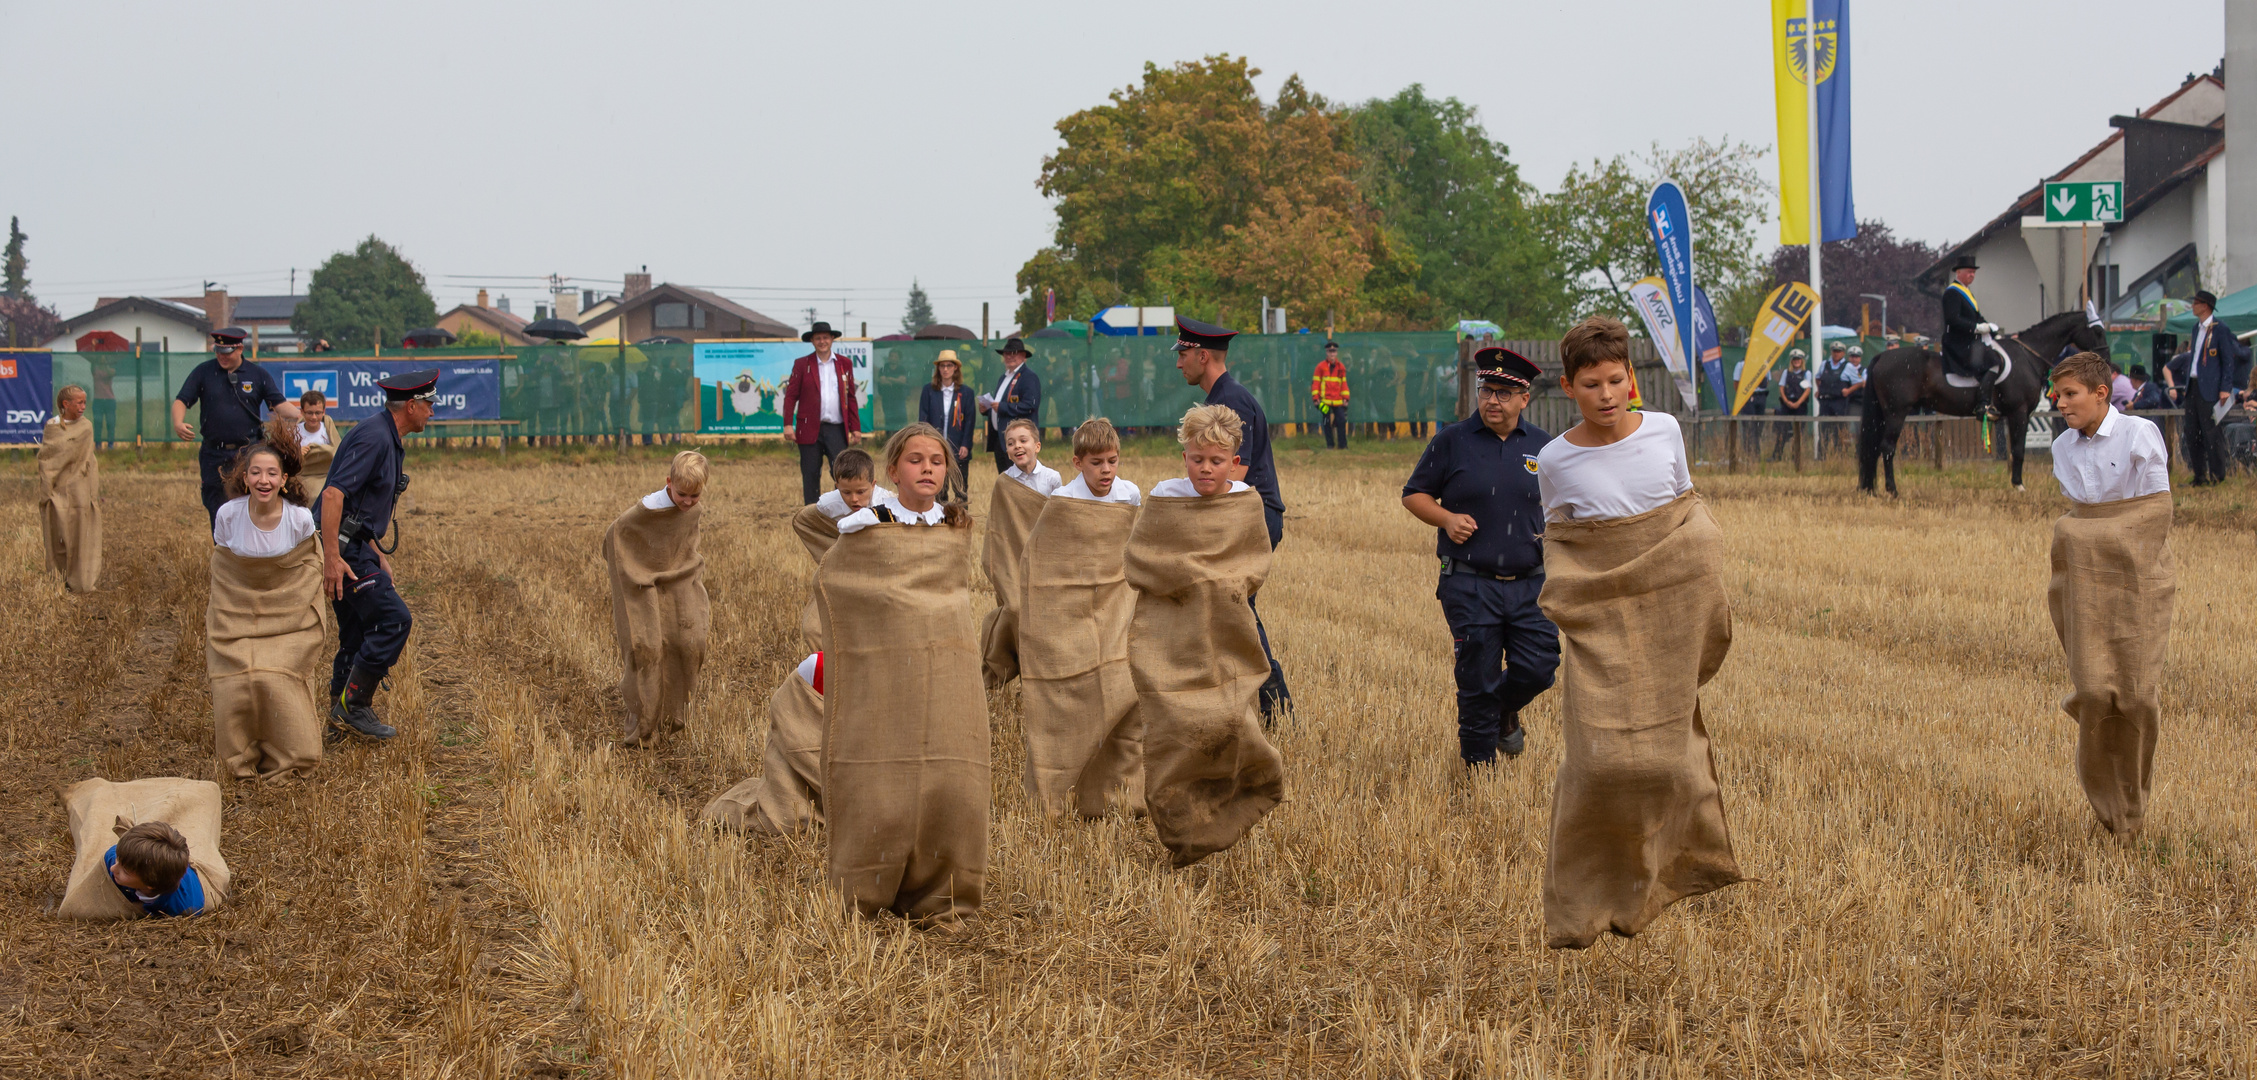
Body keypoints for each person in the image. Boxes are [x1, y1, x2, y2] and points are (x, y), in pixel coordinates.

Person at [1534, 315, 1738, 950]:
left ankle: (1679, 867)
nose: (1606, 394)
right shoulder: (1554, 460)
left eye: (1616, 380)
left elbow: (1686, 510)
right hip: (1606, 617)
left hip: (1668, 609)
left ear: (1631, 379)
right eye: (1591, 384)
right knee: (1599, 764)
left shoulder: (1664, 431)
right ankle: (1585, 900)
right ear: (1568, 387)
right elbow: (1564, 546)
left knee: (1667, 759)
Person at [1133, 404, 1286, 864]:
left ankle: (1234, 802)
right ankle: (1178, 819)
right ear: (1185, 456)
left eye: (1216, 461)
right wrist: (1190, 577)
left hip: (1225, 631)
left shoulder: (1245, 501)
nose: (1205, 468)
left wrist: (1221, 585)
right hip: (1170, 634)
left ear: (1234, 460)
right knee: (1174, 724)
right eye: (1197, 459)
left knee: (1228, 721)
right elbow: (1139, 558)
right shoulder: (1165, 496)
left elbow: (1254, 563)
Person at [1400, 347, 1558, 766]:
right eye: (1487, 390)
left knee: (1540, 667)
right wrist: (1446, 518)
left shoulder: (1546, 448)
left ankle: (1504, 712)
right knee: (1475, 682)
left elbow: (1565, 507)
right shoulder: (1451, 441)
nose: (1492, 400)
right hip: (1469, 583)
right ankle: (1478, 778)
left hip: (1532, 583)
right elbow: (1413, 495)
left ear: (1525, 398)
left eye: (1504, 393)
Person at [2045, 351, 2173, 839]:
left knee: (2137, 696)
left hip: (2139, 572)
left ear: (2102, 394)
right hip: (2085, 579)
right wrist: (2082, 538)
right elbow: (2081, 517)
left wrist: (2088, 535)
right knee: (2096, 693)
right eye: (2057, 395)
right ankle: (2110, 808)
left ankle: (2132, 809)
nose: (2060, 403)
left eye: (2070, 394)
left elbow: (2153, 513)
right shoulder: (2062, 448)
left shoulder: (2140, 434)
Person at [1171, 315, 1291, 722]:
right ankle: (1263, 704)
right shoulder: (1221, 398)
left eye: (1183, 354)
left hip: (1251, 517)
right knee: (1233, 610)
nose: (1178, 363)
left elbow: (1233, 474)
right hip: (1242, 516)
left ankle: (1276, 705)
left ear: (1203, 356)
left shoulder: (1228, 403)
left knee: (1237, 608)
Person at [320, 369, 437, 741]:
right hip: (343, 550)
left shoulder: (386, 434)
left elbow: (359, 504)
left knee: (355, 634)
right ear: (412, 406)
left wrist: (375, 551)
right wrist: (332, 558)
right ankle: (354, 706)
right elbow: (333, 495)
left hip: (356, 545)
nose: (432, 412)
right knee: (393, 620)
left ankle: (338, 722)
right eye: (429, 405)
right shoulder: (374, 438)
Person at [604, 450, 710, 748]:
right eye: (682, 494)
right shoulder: (647, 509)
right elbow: (616, 535)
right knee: (647, 649)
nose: (688, 502)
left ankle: (673, 713)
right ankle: (645, 722)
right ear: (668, 483)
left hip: (680, 578)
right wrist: (633, 571)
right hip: (641, 583)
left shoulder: (694, 511)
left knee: (690, 643)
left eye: (695, 495)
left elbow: (686, 545)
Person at [173, 327, 286, 525]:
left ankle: (250, 549)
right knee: (216, 506)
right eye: (218, 351)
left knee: (249, 503)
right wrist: (178, 422)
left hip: (248, 452)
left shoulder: (257, 374)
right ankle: (223, 551)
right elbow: (181, 400)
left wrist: (303, 415)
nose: (221, 357)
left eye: (227, 352)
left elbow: (279, 404)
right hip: (213, 454)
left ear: (240, 348)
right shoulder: (203, 372)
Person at [782, 321, 863, 504]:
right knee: (810, 473)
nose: (822, 341)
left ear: (832, 339)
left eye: (826, 337)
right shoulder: (802, 364)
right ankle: (811, 515)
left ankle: (841, 511)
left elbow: (850, 397)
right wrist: (788, 424)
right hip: (809, 428)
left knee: (842, 473)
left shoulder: (845, 364)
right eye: (818, 338)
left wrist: (855, 427)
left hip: (837, 428)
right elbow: (791, 396)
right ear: (812, 341)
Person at [2177, 290, 2249, 485]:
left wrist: (2225, 387)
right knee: (2192, 432)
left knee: (2211, 433)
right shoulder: (2195, 329)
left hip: (2210, 388)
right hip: (2193, 385)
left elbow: (2228, 361)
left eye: (2196, 303)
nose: (2193, 306)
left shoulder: (2220, 329)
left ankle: (2217, 475)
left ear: (2205, 305)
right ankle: (2199, 475)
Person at [213, 440, 315, 558]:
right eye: (256, 473)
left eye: (272, 474)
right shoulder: (227, 515)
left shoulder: (300, 519)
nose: (263, 481)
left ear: (283, 479)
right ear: (246, 478)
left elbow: (308, 566)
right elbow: (222, 564)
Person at [1939, 254, 2002, 419]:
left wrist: (1991, 330)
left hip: (1969, 340)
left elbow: (1976, 316)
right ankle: (1983, 403)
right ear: (1958, 272)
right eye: (1969, 272)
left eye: (1974, 272)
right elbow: (1952, 319)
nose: (1972, 275)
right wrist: (1975, 328)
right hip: (1958, 342)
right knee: (1994, 362)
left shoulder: (1967, 292)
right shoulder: (1952, 292)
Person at [103, 822, 209, 918]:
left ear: (149, 883)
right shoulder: (113, 859)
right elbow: (113, 853)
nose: (113, 868)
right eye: (118, 860)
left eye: (125, 871)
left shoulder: (186, 905)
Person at [919, 349, 976, 501]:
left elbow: (970, 421)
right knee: (938, 488)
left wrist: (965, 444)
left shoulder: (966, 393)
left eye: (949, 365)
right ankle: (939, 521)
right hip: (936, 447)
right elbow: (923, 419)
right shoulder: (929, 391)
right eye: (942, 366)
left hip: (958, 446)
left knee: (960, 489)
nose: (945, 369)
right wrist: (927, 442)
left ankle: (961, 521)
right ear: (938, 368)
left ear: (955, 368)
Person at [980, 337, 1042, 474]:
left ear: (1023, 356)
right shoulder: (1004, 377)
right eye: (1006, 354)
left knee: (1020, 478)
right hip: (1001, 438)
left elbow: (1030, 405)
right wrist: (988, 410)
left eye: (1013, 353)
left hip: (1019, 439)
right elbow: (1001, 404)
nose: (1009, 357)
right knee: (1005, 478)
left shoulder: (1028, 377)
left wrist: (1002, 407)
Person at [1057, 417, 1141, 504]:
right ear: (1078, 463)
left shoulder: (1130, 495)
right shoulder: (1062, 499)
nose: (1106, 470)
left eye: (1112, 461)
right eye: (1096, 463)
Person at [999, 418, 1062, 494]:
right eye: (1010, 443)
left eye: (1023, 441)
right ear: (1008, 453)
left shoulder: (1052, 478)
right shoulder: (1004, 480)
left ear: (1037, 447)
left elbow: (1058, 505)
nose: (1017, 446)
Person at [1770, 349, 1811, 462]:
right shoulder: (1786, 372)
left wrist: (1798, 403)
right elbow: (1781, 387)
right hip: (1787, 405)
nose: (1796, 361)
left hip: (1800, 406)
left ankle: (1796, 457)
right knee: (1782, 431)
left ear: (1802, 361)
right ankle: (1776, 455)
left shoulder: (1806, 373)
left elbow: (1807, 390)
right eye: (1794, 359)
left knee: (1798, 432)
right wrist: (1787, 401)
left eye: (1798, 359)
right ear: (1791, 361)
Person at [1311, 341, 1351, 449]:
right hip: (1324, 401)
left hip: (1338, 400)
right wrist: (1316, 398)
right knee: (1326, 421)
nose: (1332, 354)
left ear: (1336, 353)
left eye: (1334, 351)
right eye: (1330, 351)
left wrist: (1346, 398)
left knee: (1341, 420)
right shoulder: (1320, 367)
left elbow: (1344, 384)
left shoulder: (1341, 367)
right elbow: (1316, 383)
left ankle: (1343, 445)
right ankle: (1330, 444)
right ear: (1326, 353)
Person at [88, 355, 118, 449]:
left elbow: (111, 373)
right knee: (98, 423)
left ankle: (110, 444)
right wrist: (94, 356)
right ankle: (98, 444)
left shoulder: (111, 370)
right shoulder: (95, 371)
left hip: (109, 400)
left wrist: (106, 365)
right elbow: (92, 367)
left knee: (110, 422)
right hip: (98, 400)